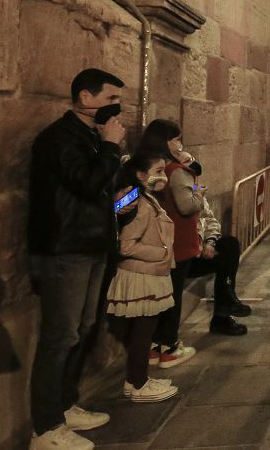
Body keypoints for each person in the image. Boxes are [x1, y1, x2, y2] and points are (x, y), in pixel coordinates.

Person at [28, 68, 129, 450]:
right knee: (61, 335)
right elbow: (86, 184)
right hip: (65, 249)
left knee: (84, 328)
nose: (116, 107)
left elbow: (106, 189)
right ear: (85, 99)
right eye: (109, 99)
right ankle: (45, 426)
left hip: (92, 245)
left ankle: (66, 404)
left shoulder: (91, 137)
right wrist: (110, 148)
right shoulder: (59, 139)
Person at [139, 120, 249, 361]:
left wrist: (209, 240)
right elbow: (188, 205)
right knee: (168, 296)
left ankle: (223, 307)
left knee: (228, 247)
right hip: (173, 245)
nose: (180, 145)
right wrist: (197, 193)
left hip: (186, 243)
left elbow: (206, 215)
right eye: (176, 139)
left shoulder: (177, 171)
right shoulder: (172, 172)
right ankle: (163, 348)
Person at [106, 151, 179, 403]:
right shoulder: (134, 199)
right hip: (140, 275)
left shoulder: (144, 196)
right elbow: (126, 244)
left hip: (148, 273)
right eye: (158, 171)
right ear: (140, 174)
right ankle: (138, 383)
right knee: (142, 333)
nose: (163, 177)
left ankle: (136, 379)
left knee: (144, 331)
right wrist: (162, 252)